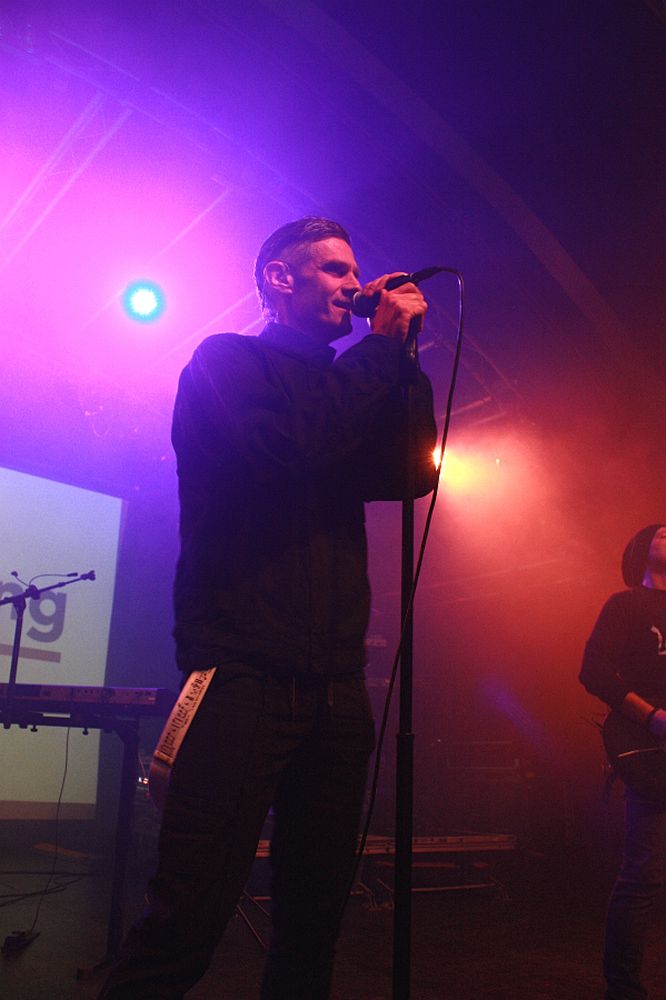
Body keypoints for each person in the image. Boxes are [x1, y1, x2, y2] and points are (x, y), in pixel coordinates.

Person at [98, 217, 437, 999]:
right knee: (187, 915)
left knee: (313, 923)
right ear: (281, 278)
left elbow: (410, 472)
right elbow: (293, 443)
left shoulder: (347, 385)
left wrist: (406, 360)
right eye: (335, 269)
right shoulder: (227, 362)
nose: (355, 284)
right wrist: (377, 350)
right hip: (242, 677)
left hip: (336, 688)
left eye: (355, 270)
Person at [580, 523, 666, 1000]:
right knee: (644, 875)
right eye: (663, 533)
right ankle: (624, 991)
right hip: (651, 749)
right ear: (640, 550)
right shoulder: (626, 605)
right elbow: (593, 671)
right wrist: (651, 716)